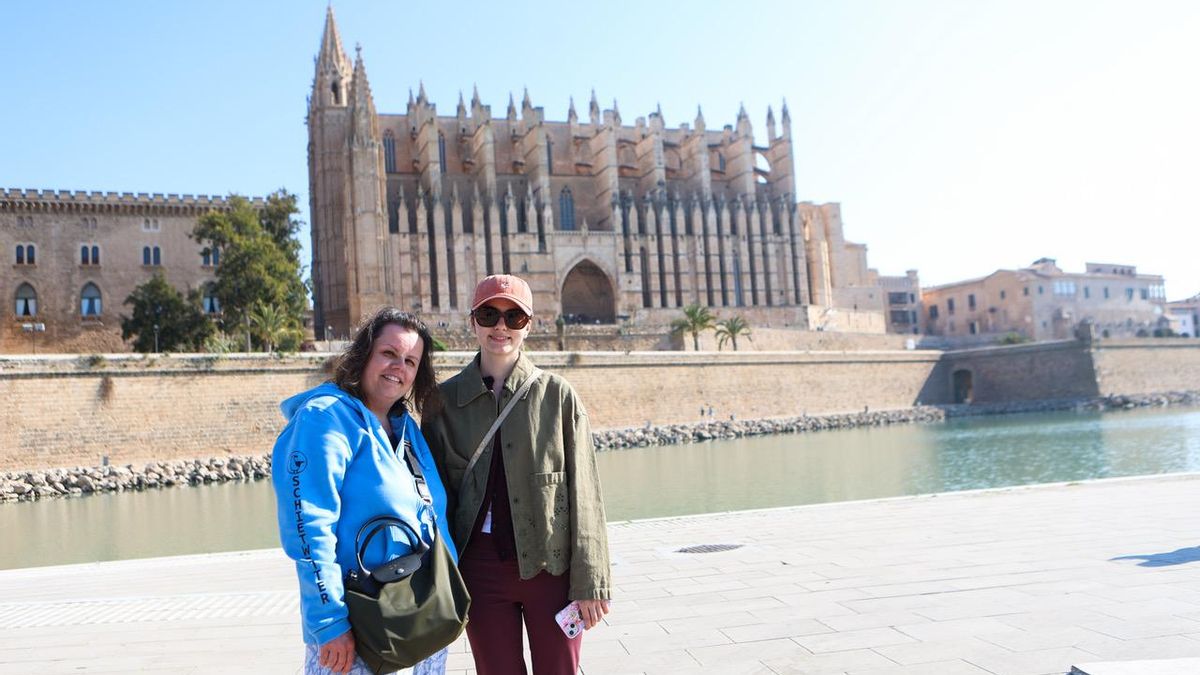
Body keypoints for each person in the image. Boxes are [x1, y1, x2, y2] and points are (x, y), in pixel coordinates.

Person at [423, 274, 612, 675]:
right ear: (472, 321)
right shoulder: (443, 403)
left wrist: (592, 582)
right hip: (479, 570)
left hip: (551, 568)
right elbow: (432, 499)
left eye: (514, 317)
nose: (501, 327)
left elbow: (587, 496)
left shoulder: (558, 396)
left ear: (529, 325)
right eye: (490, 314)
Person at [272, 308, 455, 675]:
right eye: (389, 353)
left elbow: (434, 515)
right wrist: (329, 623)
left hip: (419, 621)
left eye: (410, 361)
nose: (398, 367)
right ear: (364, 354)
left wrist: (450, 594)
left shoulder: (405, 428)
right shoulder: (324, 419)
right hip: (357, 627)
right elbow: (308, 529)